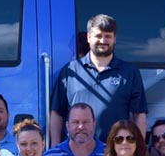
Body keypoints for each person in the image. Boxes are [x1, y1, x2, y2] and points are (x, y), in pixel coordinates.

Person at [49, 14, 147, 144]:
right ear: (89, 37)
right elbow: (56, 113)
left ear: (114, 39)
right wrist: (56, 148)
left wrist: (139, 147)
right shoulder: (70, 71)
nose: (103, 41)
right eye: (98, 36)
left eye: (108, 36)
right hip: (76, 153)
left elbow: (139, 114)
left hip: (115, 151)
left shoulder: (129, 72)